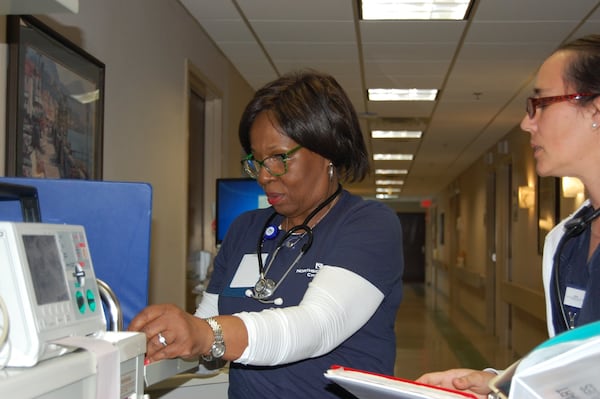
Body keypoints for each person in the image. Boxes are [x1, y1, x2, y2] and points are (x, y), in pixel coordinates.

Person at [129, 70, 404, 398]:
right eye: (256, 161)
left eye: (278, 158)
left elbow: (317, 326)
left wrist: (205, 333)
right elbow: (209, 330)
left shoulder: (368, 225)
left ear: (328, 150)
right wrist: (173, 338)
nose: (263, 176)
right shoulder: (246, 228)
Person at [416, 34, 600, 398]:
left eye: (541, 104)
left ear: (596, 110)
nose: (527, 123)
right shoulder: (566, 241)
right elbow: (579, 370)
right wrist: (501, 384)